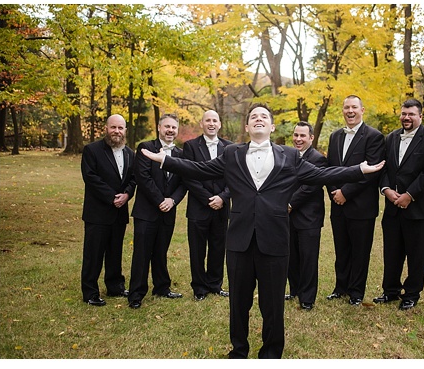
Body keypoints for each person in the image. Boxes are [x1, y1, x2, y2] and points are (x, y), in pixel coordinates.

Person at [140, 103, 384, 359]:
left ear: (271, 126)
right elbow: (199, 170)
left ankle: (271, 353)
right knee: (238, 303)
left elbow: (321, 174)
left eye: (264, 116)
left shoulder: (290, 156)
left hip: (276, 240)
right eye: (253, 116)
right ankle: (239, 351)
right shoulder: (232, 153)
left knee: (273, 304)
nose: (258, 119)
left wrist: (359, 170)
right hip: (239, 241)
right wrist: (166, 160)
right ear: (247, 126)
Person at [373, 98, 424, 311]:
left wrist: (409, 195)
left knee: (416, 254)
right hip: (392, 206)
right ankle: (390, 291)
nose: (406, 117)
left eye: (411, 114)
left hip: (419, 208)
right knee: (392, 252)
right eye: (404, 113)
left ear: (420, 116)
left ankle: (412, 294)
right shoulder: (391, 138)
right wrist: (386, 190)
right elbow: (383, 168)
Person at [325, 95, 385, 306]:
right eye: (346, 107)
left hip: (361, 206)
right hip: (338, 204)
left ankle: (356, 292)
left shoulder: (374, 136)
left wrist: (346, 193)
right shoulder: (335, 136)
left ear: (362, 110)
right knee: (341, 250)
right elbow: (329, 168)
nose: (350, 111)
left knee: (360, 251)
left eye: (354, 107)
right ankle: (340, 287)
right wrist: (334, 191)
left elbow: (372, 172)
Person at [127, 114, 187, 309]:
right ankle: (136, 294)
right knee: (142, 253)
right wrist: (160, 200)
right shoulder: (145, 147)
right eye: (167, 126)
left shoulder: (180, 154)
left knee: (161, 251)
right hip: (147, 211)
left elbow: (184, 182)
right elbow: (143, 178)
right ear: (159, 128)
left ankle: (162, 287)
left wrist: (173, 201)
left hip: (168, 211)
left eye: (174, 127)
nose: (170, 130)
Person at [80, 114, 136, 306]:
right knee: (93, 254)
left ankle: (115, 286)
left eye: (120, 128)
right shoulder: (92, 150)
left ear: (125, 131)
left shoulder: (130, 153)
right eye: (113, 128)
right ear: (106, 128)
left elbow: (133, 179)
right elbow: (91, 177)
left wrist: (127, 194)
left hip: (120, 212)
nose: (117, 132)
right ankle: (90, 292)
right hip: (98, 212)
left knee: (115, 252)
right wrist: (112, 197)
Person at [181, 110, 232, 301]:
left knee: (219, 248)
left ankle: (215, 284)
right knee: (197, 249)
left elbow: (235, 177)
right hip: (198, 207)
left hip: (222, 206)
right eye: (207, 120)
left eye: (215, 120)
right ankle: (199, 288)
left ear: (220, 124)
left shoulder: (230, 147)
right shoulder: (191, 146)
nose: (211, 123)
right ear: (201, 124)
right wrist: (208, 199)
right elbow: (188, 176)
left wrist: (222, 198)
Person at [285, 121, 328, 311]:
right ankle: (294, 290)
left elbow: (310, 187)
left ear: (311, 138)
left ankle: (307, 298)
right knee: (291, 256)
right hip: (288, 216)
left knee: (308, 258)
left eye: (302, 136)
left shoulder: (318, 158)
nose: (298, 139)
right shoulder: (288, 156)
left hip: (308, 217)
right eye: (296, 135)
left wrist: (290, 203)